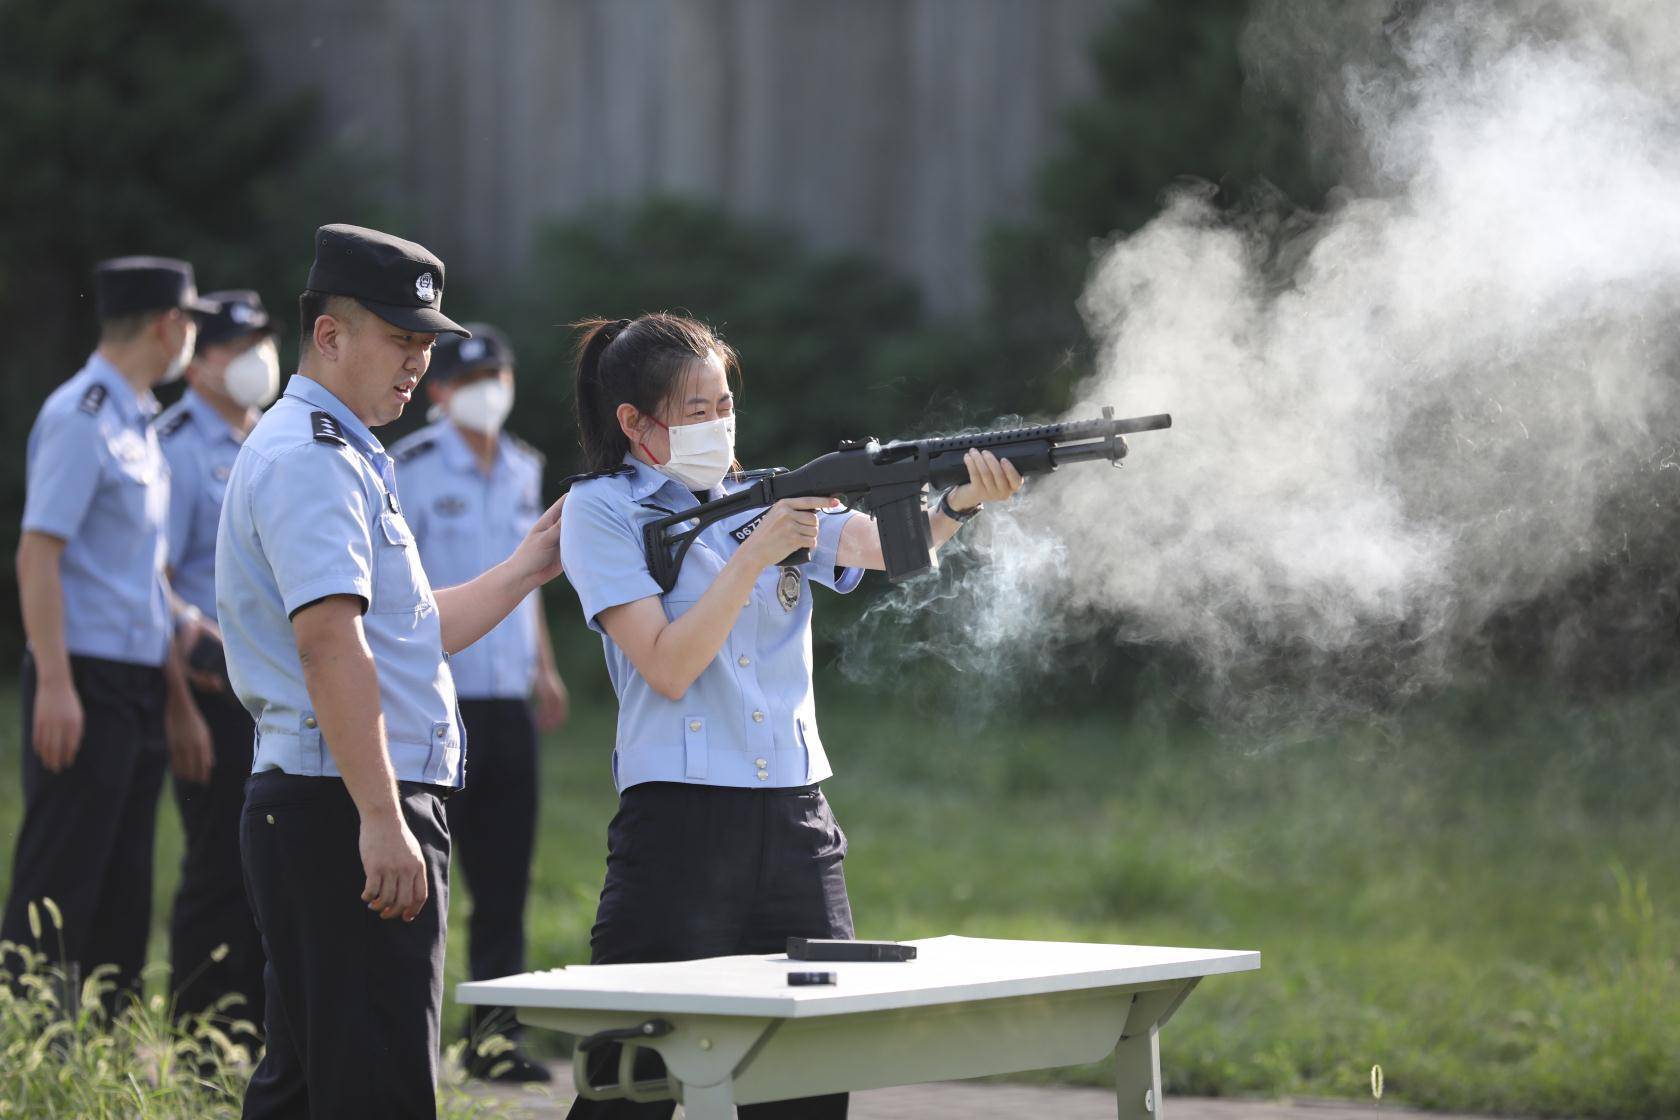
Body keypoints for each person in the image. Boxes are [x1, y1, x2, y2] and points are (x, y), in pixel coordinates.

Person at [558, 313, 1023, 1120]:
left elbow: (890, 549)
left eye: (725, 403)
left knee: (808, 1081)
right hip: (678, 821)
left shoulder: (766, 496)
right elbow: (667, 665)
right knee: (632, 1084)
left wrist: (959, 500)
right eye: (694, 410)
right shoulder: (602, 512)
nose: (719, 423)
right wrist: (754, 554)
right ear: (635, 423)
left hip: (798, 821)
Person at [215, 224, 566, 1117]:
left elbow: (407, 635)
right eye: (401, 339)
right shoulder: (313, 460)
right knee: (375, 1088)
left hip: (338, 796)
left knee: (307, 1085)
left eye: (425, 343)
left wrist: (527, 564)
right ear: (330, 336)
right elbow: (330, 645)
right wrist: (381, 816)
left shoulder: (340, 450)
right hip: (345, 804)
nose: (419, 362)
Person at [3, 256, 218, 1013]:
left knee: (125, 881)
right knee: (62, 873)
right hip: (82, 676)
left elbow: (144, 579)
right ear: (169, 325)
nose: (192, 335)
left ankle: (103, 1039)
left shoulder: (140, 422)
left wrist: (176, 701)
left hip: (134, 680)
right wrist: (56, 685)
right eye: (192, 321)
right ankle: (29, 1040)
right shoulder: (81, 415)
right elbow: (38, 553)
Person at [390, 324, 570, 1082]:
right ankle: (404, 1047)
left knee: (504, 878)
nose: (489, 389)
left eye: (500, 374)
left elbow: (523, 585)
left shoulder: (526, 467)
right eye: (472, 378)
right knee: (420, 882)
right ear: (438, 391)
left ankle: (494, 1043)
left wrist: (545, 667)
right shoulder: (411, 467)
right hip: (438, 699)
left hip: (507, 700)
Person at [156, 290, 282, 1047]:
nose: (254, 362)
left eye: (261, 343)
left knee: (270, 865)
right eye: (237, 347)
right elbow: (150, 577)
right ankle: (203, 1043)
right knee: (215, 867)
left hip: (277, 687)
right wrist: (178, 691)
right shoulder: (172, 442)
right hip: (207, 687)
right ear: (198, 363)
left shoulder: (274, 438)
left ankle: (260, 1036)